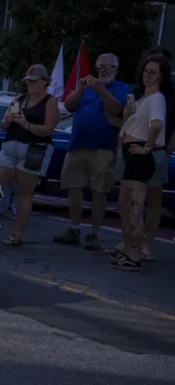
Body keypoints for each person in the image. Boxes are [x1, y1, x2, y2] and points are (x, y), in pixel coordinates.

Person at [54, 53, 130, 250]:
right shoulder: (86, 88)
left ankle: (94, 234)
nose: (103, 70)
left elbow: (116, 110)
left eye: (108, 67)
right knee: (74, 187)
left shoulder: (122, 88)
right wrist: (80, 89)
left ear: (116, 69)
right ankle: (73, 229)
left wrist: (100, 89)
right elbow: (70, 105)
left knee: (99, 190)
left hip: (103, 147)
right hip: (78, 144)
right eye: (100, 66)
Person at [111, 54, 171, 271]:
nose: (147, 76)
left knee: (134, 206)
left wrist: (147, 148)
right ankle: (128, 250)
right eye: (146, 71)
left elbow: (156, 125)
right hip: (131, 152)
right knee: (126, 205)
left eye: (153, 72)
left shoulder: (156, 98)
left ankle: (134, 255)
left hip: (140, 153)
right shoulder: (143, 99)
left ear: (161, 76)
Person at [0, 64, 61, 246]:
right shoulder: (19, 98)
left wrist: (26, 124)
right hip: (10, 147)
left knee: (24, 194)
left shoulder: (50, 101)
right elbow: (2, 125)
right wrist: (6, 121)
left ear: (44, 82)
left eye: (33, 81)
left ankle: (17, 234)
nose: (29, 84)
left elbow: (48, 129)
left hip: (33, 150)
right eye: (27, 81)